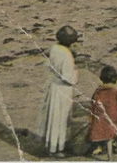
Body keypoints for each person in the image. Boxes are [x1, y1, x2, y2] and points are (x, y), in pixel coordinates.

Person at [37, 26, 79, 157]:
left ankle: (52, 145)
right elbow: (70, 79)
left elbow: (47, 60)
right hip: (63, 89)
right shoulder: (67, 56)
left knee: (53, 117)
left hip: (54, 85)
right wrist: (75, 69)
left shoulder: (54, 48)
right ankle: (57, 148)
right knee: (61, 118)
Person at [87, 65, 117, 161]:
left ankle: (108, 156)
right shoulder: (116, 91)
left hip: (101, 120)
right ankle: (113, 156)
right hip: (114, 119)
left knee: (108, 137)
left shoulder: (98, 91)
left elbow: (92, 102)